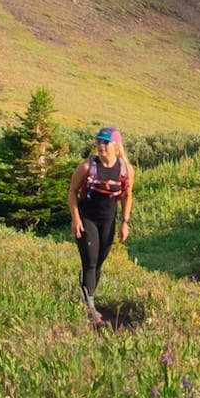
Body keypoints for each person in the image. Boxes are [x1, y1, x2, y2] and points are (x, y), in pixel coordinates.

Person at [68, 126, 132, 319]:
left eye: (105, 142)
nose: (101, 146)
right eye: (98, 141)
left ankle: (89, 298)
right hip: (87, 219)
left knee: (98, 264)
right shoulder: (87, 167)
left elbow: (128, 195)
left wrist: (125, 222)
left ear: (116, 146)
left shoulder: (126, 169)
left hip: (108, 222)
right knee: (90, 261)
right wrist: (76, 218)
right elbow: (72, 192)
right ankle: (90, 308)